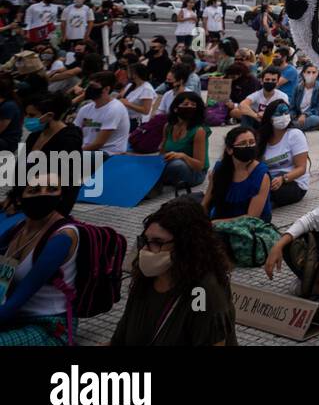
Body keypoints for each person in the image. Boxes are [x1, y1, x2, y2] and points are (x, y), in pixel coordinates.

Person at [109, 197, 236, 345]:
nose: (145, 250)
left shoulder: (202, 292)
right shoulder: (145, 279)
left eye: (158, 242)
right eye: (144, 240)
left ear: (186, 245)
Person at [0, 175, 79, 345]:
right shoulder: (17, 230)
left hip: (49, 327)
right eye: (34, 190)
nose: (43, 195)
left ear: (61, 196)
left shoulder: (62, 237)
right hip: (15, 319)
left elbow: (21, 296)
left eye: (52, 189)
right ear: (20, 198)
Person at [202, 126, 272, 222]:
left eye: (252, 142)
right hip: (218, 219)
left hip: (248, 227)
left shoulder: (261, 175)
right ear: (230, 150)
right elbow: (206, 202)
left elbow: (252, 218)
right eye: (243, 144)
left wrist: (216, 223)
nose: (248, 146)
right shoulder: (220, 169)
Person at [257, 99, 310, 207]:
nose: (284, 116)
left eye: (286, 113)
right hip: (268, 181)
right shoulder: (262, 138)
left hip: (292, 182)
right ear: (270, 118)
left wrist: (283, 179)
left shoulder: (295, 134)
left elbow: (301, 168)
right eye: (279, 113)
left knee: (264, 196)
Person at [74, 72, 130, 155]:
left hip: (108, 153)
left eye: (94, 86)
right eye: (89, 86)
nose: (89, 89)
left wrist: (74, 152)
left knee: (60, 161)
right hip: (87, 150)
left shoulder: (115, 109)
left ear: (106, 89)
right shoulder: (85, 108)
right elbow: (75, 132)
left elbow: (99, 144)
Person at [289, 63, 319, 131]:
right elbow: (292, 107)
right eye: (308, 72)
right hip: (299, 116)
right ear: (303, 73)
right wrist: (291, 116)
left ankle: (292, 127)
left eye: (314, 72)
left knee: (311, 119)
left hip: (318, 116)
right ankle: (294, 125)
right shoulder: (298, 88)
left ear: (317, 74)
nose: (311, 74)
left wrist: (305, 115)